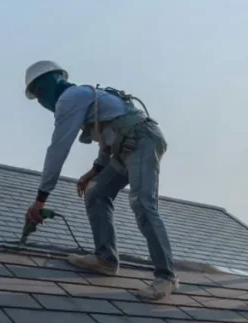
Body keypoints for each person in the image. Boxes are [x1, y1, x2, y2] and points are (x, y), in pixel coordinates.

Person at [23, 60, 177, 301]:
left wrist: (40, 199)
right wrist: (93, 173)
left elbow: (58, 149)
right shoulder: (84, 96)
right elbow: (109, 137)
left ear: (45, 87)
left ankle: (166, 277)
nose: (42, 102)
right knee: (96, 193)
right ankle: (106, 259)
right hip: (126, 146)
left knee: (142, 203)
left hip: (142, 141)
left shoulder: (69, 98)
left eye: (39, 94)